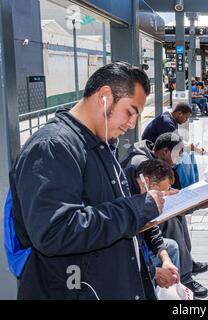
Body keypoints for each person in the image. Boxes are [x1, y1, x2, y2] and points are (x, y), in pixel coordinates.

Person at [9, 61, 165, 300]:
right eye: (130, 111)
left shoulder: (100, 143)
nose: (132, 123)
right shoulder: (52, 147)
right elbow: (54, 231)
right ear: (104, 96)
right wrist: (136, 208)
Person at [122, 133, 208, 298]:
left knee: (175, 225)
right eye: (177, 154)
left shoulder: (152, 167)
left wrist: (164, 256)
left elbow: (150, 224)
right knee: (171, 221)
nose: (179, 158)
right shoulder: (140, 166)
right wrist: (154, 271)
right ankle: (184, 277)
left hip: (140, 234)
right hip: (132, 247)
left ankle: (184, 267)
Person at [134, 159, 181, 290]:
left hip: (140, 246)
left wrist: (166, 259)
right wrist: (154, 272)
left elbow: (151, 229)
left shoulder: (143, 194)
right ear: (146, 182)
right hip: (129, 255)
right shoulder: (127, 196)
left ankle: (171, 290)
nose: (162, 199)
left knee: (171, 248)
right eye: (160, 194)